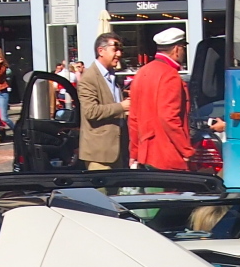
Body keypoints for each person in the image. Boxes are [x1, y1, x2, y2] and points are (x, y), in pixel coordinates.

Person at [128, 27, 194, 171]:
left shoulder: (142, 73)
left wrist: (134, 152)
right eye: (183, 47)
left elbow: (133, 119)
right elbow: (169, 118)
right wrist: (187, 150)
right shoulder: (170, 75)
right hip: (168, 156)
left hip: (145, 156)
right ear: (177, 49)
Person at [77, 33, 131, 170]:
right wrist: (121, 106)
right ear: (101, 51)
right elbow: (91, 112)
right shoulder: (89, 78)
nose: (119, 54)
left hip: (118, 151)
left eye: (120, 50)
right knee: (100, 192)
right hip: (99, 155)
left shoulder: (112, 76)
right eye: (115, 49)